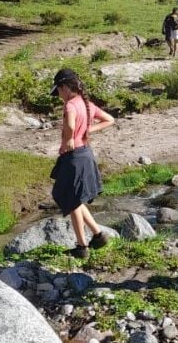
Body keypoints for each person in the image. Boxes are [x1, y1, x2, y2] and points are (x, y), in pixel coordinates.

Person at [49, 69, 116, 258]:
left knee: (70, 201)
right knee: (75, 199)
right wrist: (88, 129)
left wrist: (69, 138)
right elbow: (109, 120)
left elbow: (69, 124)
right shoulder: (86, 104)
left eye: (58, 91)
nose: (59, 96)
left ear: (65, 87)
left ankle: (81, 247)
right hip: (85, 153)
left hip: (74, 157)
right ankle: (98, 235)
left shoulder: (70, 105)